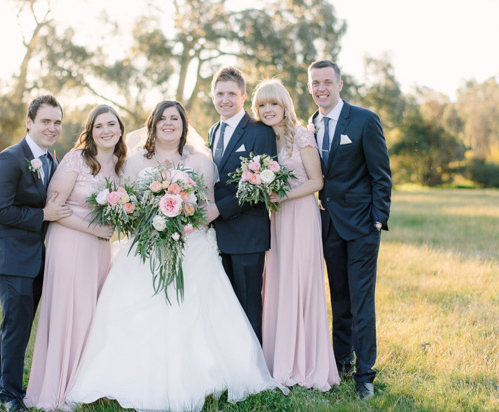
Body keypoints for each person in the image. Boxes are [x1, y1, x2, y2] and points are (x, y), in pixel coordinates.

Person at [66, 100, 285, 412]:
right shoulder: (133, 161)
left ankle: (212, 373)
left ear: (184, 126)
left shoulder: (201, 161)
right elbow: (129, 203)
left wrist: (182, 219)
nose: (168, 123)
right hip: (146, 247)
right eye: (162, 118)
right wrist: (152, 221)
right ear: (152, 124)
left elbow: (208, 207)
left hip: (192, 245)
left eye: (175, 119)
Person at [24, 105, 125, 411]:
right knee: (69, 309)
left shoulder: (123, 165)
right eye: (98, 126)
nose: (105, 131)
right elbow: (54, 211)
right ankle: (57, 389)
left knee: (92, 312)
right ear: (90, 132)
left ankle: (85, 382)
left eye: (111, 124)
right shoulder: (76, 160)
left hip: (99, 248)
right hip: (69, 241)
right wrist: (95, 229)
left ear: (120, 129)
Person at [307, 60, 392, 399]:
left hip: (361, 227)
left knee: (361, 301)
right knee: (339, 298)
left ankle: (365, 376)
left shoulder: (364, 120)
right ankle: (341, 361)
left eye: (327, 81)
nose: (321, 88)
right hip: (327, 225)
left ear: (339, 84)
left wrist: (377, 219)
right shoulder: (310, 124)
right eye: (315, 83)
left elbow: (381, 175)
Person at [0, 95, 72, 412]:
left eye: (57, 122)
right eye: (46, 121)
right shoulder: (10, 159)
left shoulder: (52, 161)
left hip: (38, 258)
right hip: (12, 258)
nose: (52, 128)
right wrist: (44, 216)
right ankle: (9, 393)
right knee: (17, 325)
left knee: (25, 323)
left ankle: (11, 384)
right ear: (29, 122)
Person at [252, 79, 340, 391]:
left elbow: (317, 181)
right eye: (262, 105)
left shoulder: (301, 135)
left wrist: (283, 196)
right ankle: (278, 358)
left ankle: (305, 361)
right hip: (276, 220)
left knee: (300, 282)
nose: (267, 110)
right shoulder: (262, 140)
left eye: (273, 103)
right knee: (278, 282)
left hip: (301, 216)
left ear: (284, 105)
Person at [208, 66, 277, 342]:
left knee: (249, 303)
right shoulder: (214, 131)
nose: (225, 99)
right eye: (219, 93)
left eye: (231, 94)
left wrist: (219, 209)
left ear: (243, 96)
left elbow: (261, 184)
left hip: (248, 233)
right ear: (213, 96)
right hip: (216, 235)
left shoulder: (260, 132)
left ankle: (254, 369)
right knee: (225, 304)